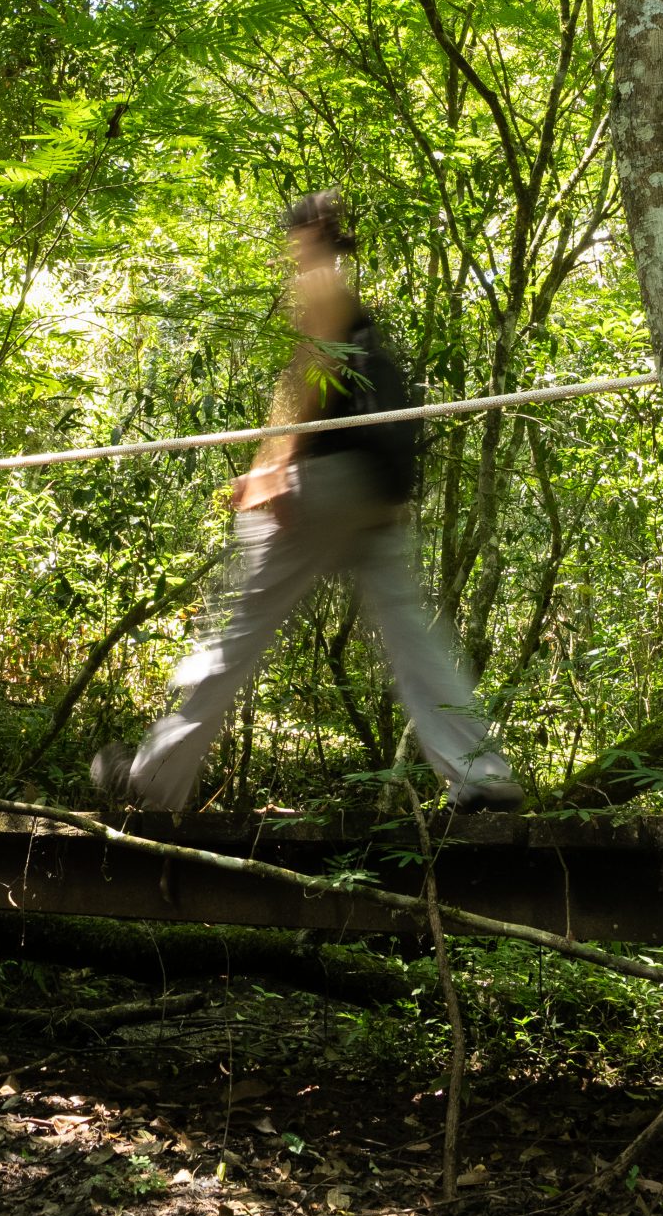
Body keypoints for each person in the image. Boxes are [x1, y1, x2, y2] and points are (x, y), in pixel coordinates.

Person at [91, 193, 525, 814]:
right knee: (412, 637)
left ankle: (151, 781)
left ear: (310, 233)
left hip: (326, 482)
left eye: (294, 235)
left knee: (237, 632)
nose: (290, 248)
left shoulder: (321, 283)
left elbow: (317, 370)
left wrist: (276, 467)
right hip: (375, 492)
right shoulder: (346, 296)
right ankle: (481, 771)